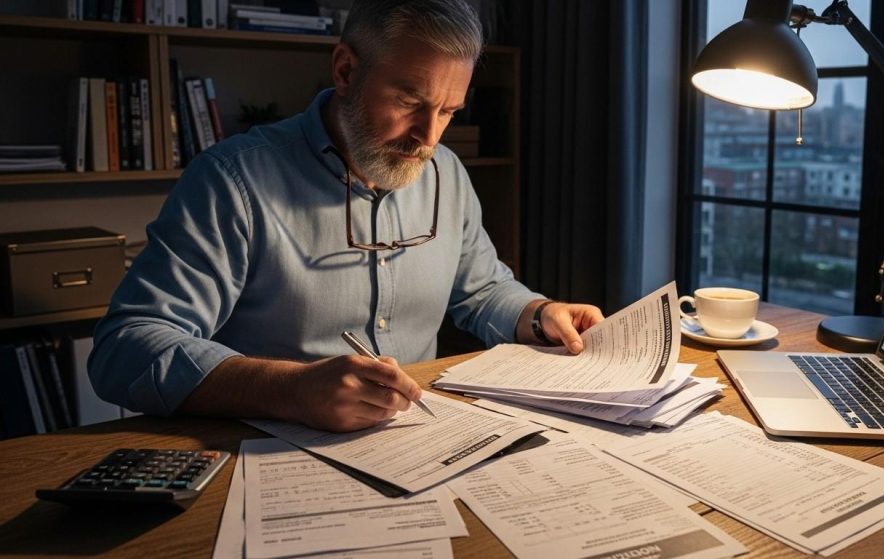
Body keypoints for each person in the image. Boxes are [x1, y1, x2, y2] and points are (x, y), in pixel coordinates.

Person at [88, 0, 604, 432]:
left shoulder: (446, 173)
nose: (427, 138)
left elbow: (483, 289)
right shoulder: (233, 180)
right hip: (266, 450)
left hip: (421, 441)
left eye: (448, 111)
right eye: (409, 100)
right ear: (345, 69)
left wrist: (537, 314)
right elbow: (126, 350)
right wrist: (289, 390)